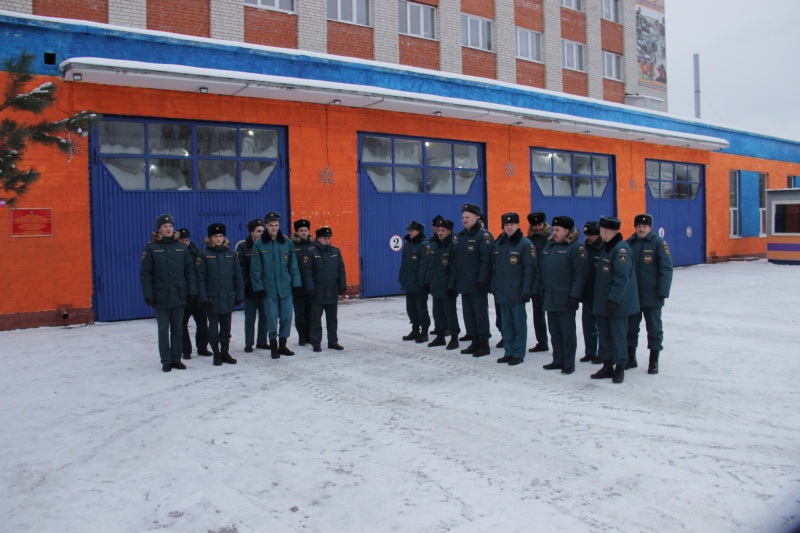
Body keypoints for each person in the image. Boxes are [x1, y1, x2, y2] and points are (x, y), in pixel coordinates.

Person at [140, 214, 197, 372]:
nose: (168, 229)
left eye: (170, 226)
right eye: (165, 226)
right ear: (159, 229)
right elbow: (145, 274)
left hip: (179, 295)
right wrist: (148, 295)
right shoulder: (151, 248)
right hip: (161, 296)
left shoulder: (181, 247)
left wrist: (191, 291)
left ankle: (176, 359)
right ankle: (166, 360)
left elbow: (189, 271)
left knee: (178, 328)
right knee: (163, 330)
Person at [536, 216, 588, 375]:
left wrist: (575, 296)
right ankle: (557, 359)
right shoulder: (549, 246)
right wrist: (538, 291)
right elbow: (540, 270)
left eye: (558, 230)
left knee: (567, 332)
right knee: (554, 331)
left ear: (567, 231)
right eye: (553, 229)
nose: (554, 232)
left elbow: (580, 275)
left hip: (565, 298)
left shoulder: (576, 248)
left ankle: (568, 362)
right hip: (549, 296)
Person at [591, 216, 639, 384]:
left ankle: (619, 367)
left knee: (618, 336)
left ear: (605, 230)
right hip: (603, 302)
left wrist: (613, 300)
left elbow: (621, 278)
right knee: (604, 336)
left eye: (600, 229)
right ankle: (607, 366)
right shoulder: (607, 248)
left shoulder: (620, 250)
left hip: (617, 304)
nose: (598, 232)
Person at [626, 214, 673, 374]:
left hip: (652, 296)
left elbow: (666, 269)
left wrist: (663, 292)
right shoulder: (629, 243)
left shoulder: (658, 243)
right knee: (630, 328)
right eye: (638, 226)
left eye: (644, 226)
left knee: (654, 329)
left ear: (650, 228)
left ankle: (654, 362)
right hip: (633, 296)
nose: (641, 229)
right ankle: (630, 358)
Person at [251, 212, 302, 359]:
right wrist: (258, 287)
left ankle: (283, 344)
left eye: (276, 225)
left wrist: (296, 284)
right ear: (266, 226)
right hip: (268, 289)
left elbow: (293, 266)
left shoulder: (287, 243)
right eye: (271, 226)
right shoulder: (259, 244)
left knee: (286, 317)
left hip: (285, 288)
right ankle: (273, 346)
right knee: (271, 318)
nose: (274, 228)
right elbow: (256, 269)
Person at [197, 223, 244, 366]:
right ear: (210, 238)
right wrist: (203, 298)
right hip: (212, 299)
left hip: (228, 297)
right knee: (212, 329)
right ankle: (216, 353)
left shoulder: (230, 254)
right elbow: (200, 278)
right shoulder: (203, 254)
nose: (218, 239)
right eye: (215, 236)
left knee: (226, 328)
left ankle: (225, 352)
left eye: (220, 236)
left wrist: (239, 295)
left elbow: (238, 276)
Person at [492, 213, 536, 366]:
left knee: (519, 324)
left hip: (517, 293)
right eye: (506, 225)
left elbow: (529, 270)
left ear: (518, 225)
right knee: (506, 324)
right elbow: (494, 268)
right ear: (503, 227)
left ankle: (518, 353)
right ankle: (508, 351)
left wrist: (526, 291)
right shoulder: (500, 244)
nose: (509, 227)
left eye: (512, 224)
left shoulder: (525, 244)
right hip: (502, 292)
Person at [454, 204, 493, 357]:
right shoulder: (461, 236)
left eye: (468, 217)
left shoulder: (484, 236)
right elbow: (457, 261)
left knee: (480, 315)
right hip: (465, 283)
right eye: (463, 217)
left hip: (478, 284)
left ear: (476, 217)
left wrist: (482, 280)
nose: (464, 220)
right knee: (469, 315)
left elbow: (486, 261)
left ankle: (484, 344)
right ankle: (474, 341)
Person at [301, 226, 347, 352]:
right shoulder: (311, 252)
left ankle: (333, 342)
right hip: (317, 292)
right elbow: (307, 272)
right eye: (324, 238)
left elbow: (341, 270)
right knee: (315, 320)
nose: (327, 240)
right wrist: (310, 288)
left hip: (332, 291)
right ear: (318, 238)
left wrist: (342, 285)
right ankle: (316, 343)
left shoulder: (335, 252)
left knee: (332, 319)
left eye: (328, 238)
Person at [175, 228, 211, 359]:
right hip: (183, 295)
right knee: (182, 325)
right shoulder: (175, 253)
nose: (185, 243)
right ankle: (186, 351)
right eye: (182, 240)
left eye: (187, 240)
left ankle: (202, 348)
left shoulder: (198, 252)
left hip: (197, 295)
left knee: (202, 323)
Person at [427, 218, 461, 350]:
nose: (440, 233)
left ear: (449, 231)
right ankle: (440, 336)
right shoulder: (435, 245)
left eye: (443, 231)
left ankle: (454, 338)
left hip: (447, 288)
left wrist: (452, 286)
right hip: (436, 286)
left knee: (450, 314)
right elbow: (431, 266)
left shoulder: (453, 246)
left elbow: (455, 268)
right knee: (437, 313)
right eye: (438, 230)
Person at [235, 219, 267, 353]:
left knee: (265, 316)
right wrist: (245, 287)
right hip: (250, 289)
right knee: (250, 317)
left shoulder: (267, 244)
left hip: (264, 288)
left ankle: (262, 341)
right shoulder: (242, 246)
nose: (261, 234)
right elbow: (240, 269)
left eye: (262, 231)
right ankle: (249, 343)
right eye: (258, 231)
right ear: (251, 232)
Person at [399, 220, 432, 344]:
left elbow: (425, 265)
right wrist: (402, 278)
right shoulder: (408, 244)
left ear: (419, 231)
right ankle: (415, 330)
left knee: (421, 309)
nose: (410, 232)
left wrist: (423, 282)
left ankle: (424, 332)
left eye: (412, 230)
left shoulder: (424, 245)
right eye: (409, 230)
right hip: (409, 283)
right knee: (411, 308)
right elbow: (404, 264)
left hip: (419, 284)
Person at [580, 221, 604, 364]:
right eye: (586, 234)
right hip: (587, 293)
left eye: (591, 235)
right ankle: (590, 352)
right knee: (588, 324)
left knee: (601, 326)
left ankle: (602, 353)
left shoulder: (604, 248)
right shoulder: (583, 248)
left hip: (600, 294)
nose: (588, 237)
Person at [526, 211, 551, 353]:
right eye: (535, 225)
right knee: (537, 314)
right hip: (534, 283)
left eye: (540, 224)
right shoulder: (528, 240)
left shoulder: (551, 240)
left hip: (548, 282)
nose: (537, 228)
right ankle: (542, 342)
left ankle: (558, 344)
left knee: (553, 316)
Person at [291, 219, 315, 346]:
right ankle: (302, 336)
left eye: (305, 230)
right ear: (297, 232)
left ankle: (310, 335)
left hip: (310, 285)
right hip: (298, 286)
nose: (304, 233)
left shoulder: (313, 245)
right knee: (300, 314)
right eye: (301, 231)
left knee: (310, 312)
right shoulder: (292, 246)